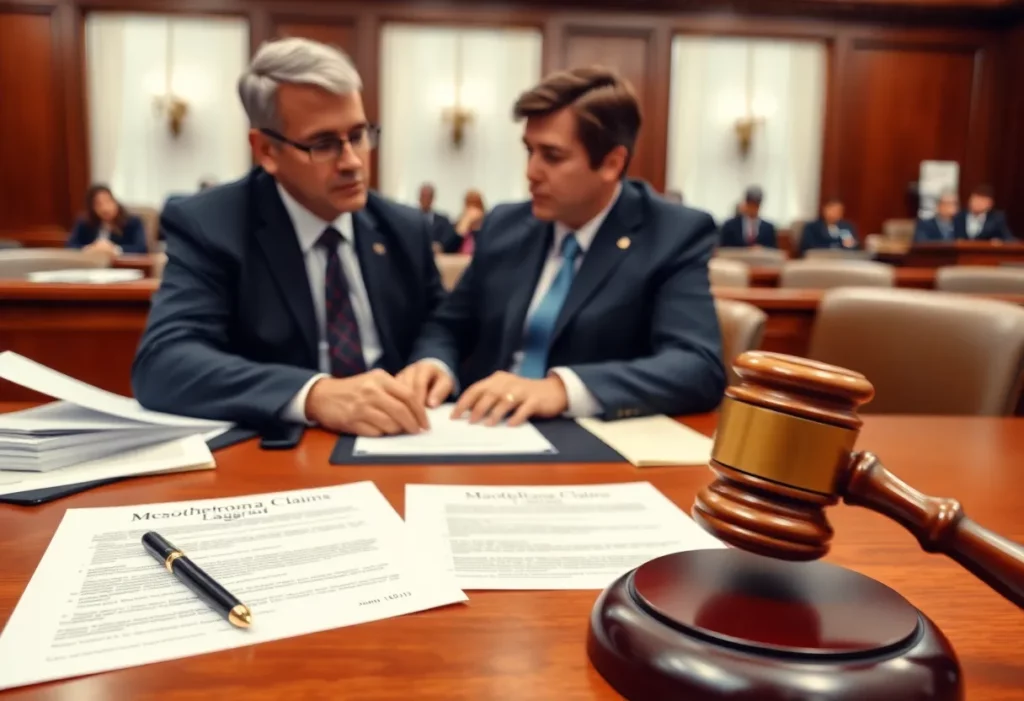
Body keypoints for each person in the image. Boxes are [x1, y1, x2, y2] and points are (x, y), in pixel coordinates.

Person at [132, 38, 444, 435]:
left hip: (400, 439)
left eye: (359, 135)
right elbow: (164, 363)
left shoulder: (404, 226)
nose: (352, 162)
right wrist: (314, 395)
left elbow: (441, 321)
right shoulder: (211, 224)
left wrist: (432, 362)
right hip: (279, 452)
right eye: (323, 144)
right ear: (266, 150)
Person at [397, 67, 725, 425]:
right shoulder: (505, 225)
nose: (531, 172)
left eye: (552, 156)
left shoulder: (671, 234)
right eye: (529, 151)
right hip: (485, 430)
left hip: (593, 447)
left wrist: (562, 389)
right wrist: (433, 364)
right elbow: (447, 325)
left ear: (611, 163)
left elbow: (697, 366)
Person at [66, 185, 148, 254]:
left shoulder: (133, 222)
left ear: (115, 201)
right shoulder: (84, 222)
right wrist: (89, 249)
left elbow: (141, 248)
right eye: (98, 204)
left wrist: (115, 249)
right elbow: (70, 246)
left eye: (108, 201)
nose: (105, 208)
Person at [419, 182, 459, 253]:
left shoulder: (443, 221)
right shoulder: (411, 220)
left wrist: (440, 246)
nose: (425, 200)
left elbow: (450, 242)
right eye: (423, 196)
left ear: (432, 199)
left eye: (427, 197)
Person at [451, 190, 486, 255]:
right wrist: (465, 223)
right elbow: (450, 248)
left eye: (475, 204)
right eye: (469, 204)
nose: (472, 209)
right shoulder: (460, 222)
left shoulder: (487, 223)